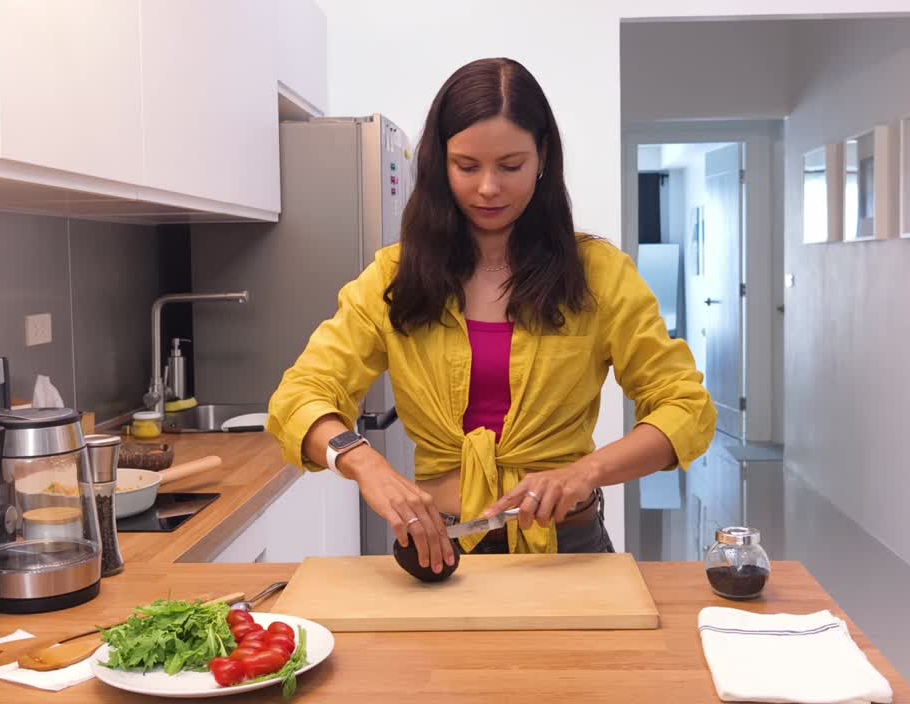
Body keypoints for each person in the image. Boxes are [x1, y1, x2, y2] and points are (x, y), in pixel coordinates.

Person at [267, 57, 716, 574]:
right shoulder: (394, 277)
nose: (487, 188)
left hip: (567, 549)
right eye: (466, 166)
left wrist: (586, 471)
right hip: (439, 550)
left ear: (542, 157)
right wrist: (364, 462)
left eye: (510, 166)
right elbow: (299, 396)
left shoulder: (600, 274)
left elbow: (685, 407)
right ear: (440, 164)